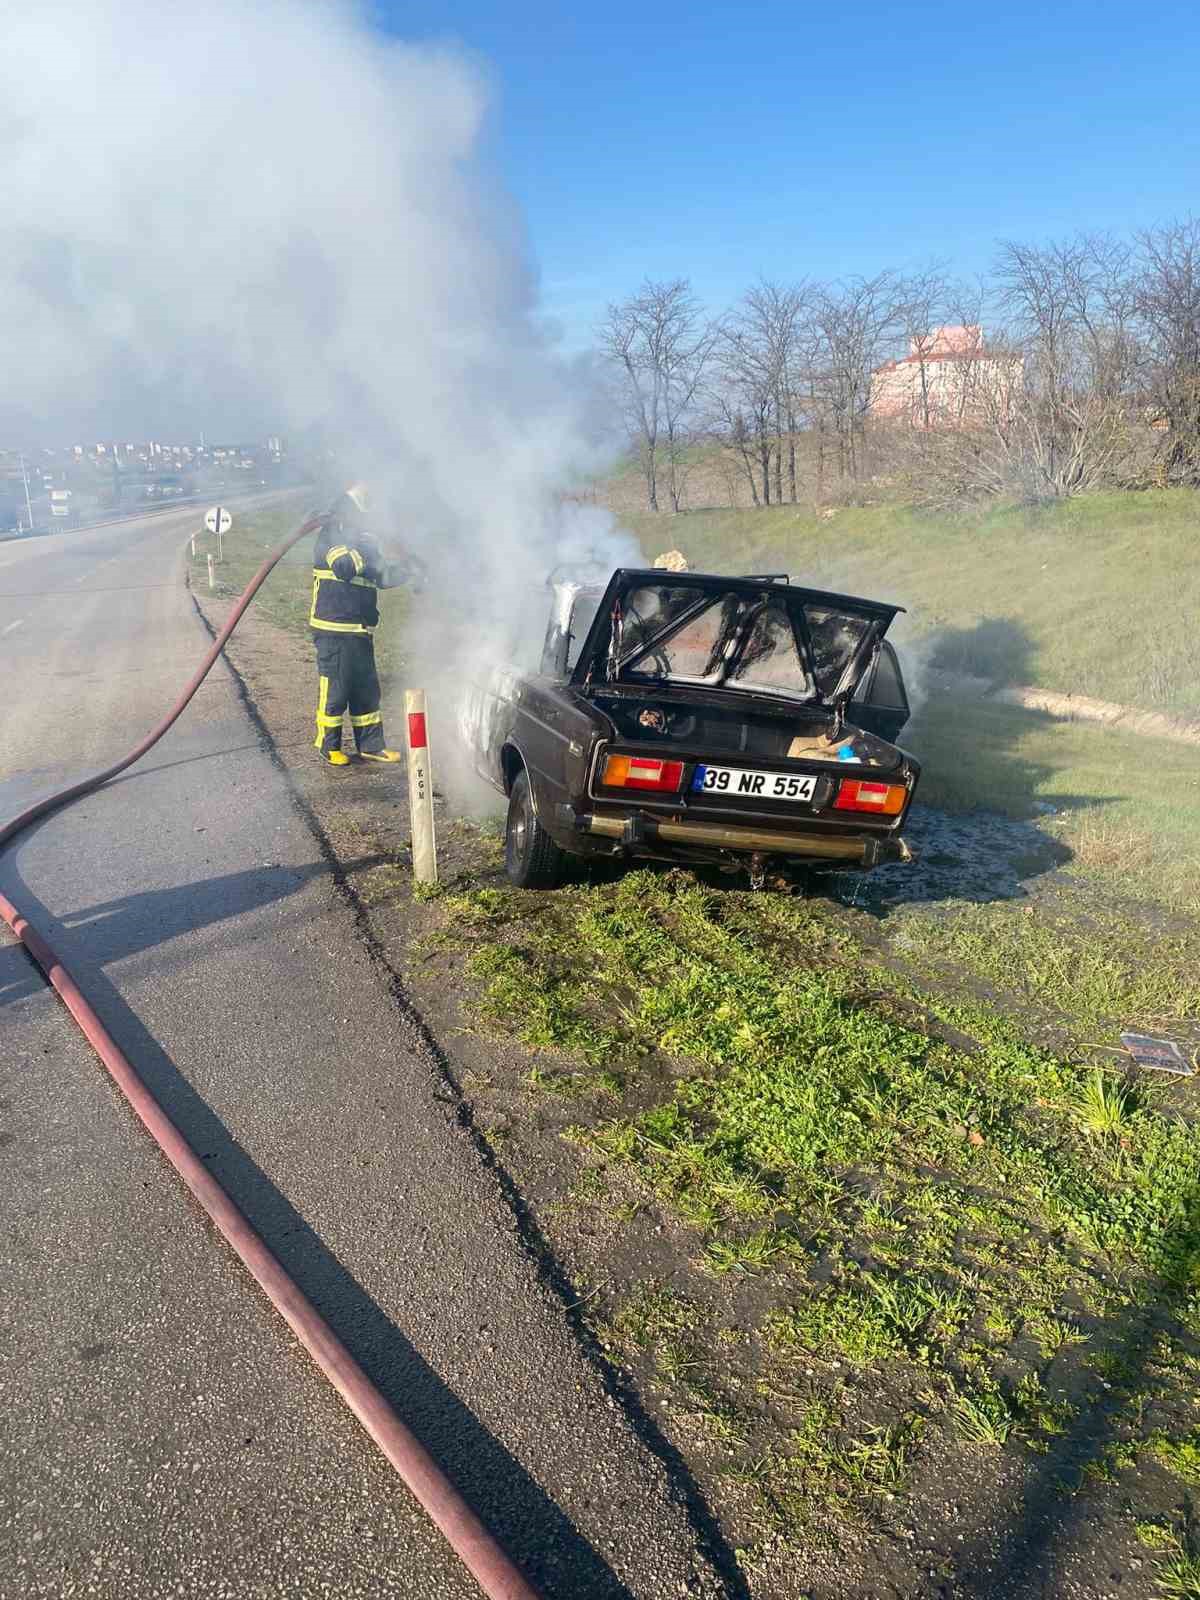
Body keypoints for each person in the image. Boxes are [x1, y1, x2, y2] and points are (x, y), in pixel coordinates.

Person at [309, 483, 402, 768]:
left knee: (366, 691)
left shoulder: (364, 540)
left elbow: (380, 577)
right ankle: (328, 746)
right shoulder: (332, 532)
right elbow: (345, 568)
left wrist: (411, 571)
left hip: (360, 631)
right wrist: (364, 544)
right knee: (336, 690)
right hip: (334, 629)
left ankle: (372, 746)